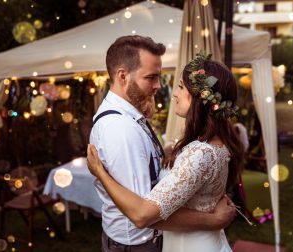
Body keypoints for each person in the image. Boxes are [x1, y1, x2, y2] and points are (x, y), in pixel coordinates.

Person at [89, 35, 236, 252]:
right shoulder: (119, 127)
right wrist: (213, 221)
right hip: (139, 244)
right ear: (123, 76)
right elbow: (141, 214)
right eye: (151, 77)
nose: (160, 86)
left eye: (179, 86)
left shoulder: (198, 149)